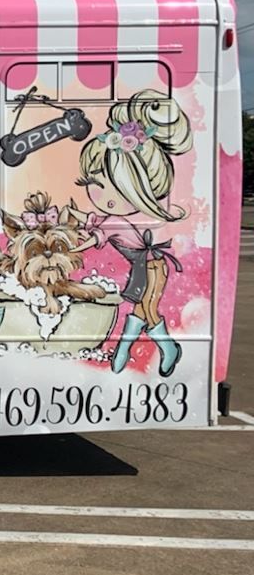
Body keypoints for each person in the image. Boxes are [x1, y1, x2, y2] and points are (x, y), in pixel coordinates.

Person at [72, 89, 192, 375]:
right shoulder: (119, 218)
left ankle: (152, 348)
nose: (97, 192)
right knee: (143, 306)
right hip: (143, 263)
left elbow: (97, 231)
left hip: (153, 263)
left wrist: (77, 243)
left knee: (148, 305)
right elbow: (96, 221)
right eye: (93, 181)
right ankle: (138, 349)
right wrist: (74, 218)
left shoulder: (128, 218)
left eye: (108, 184)